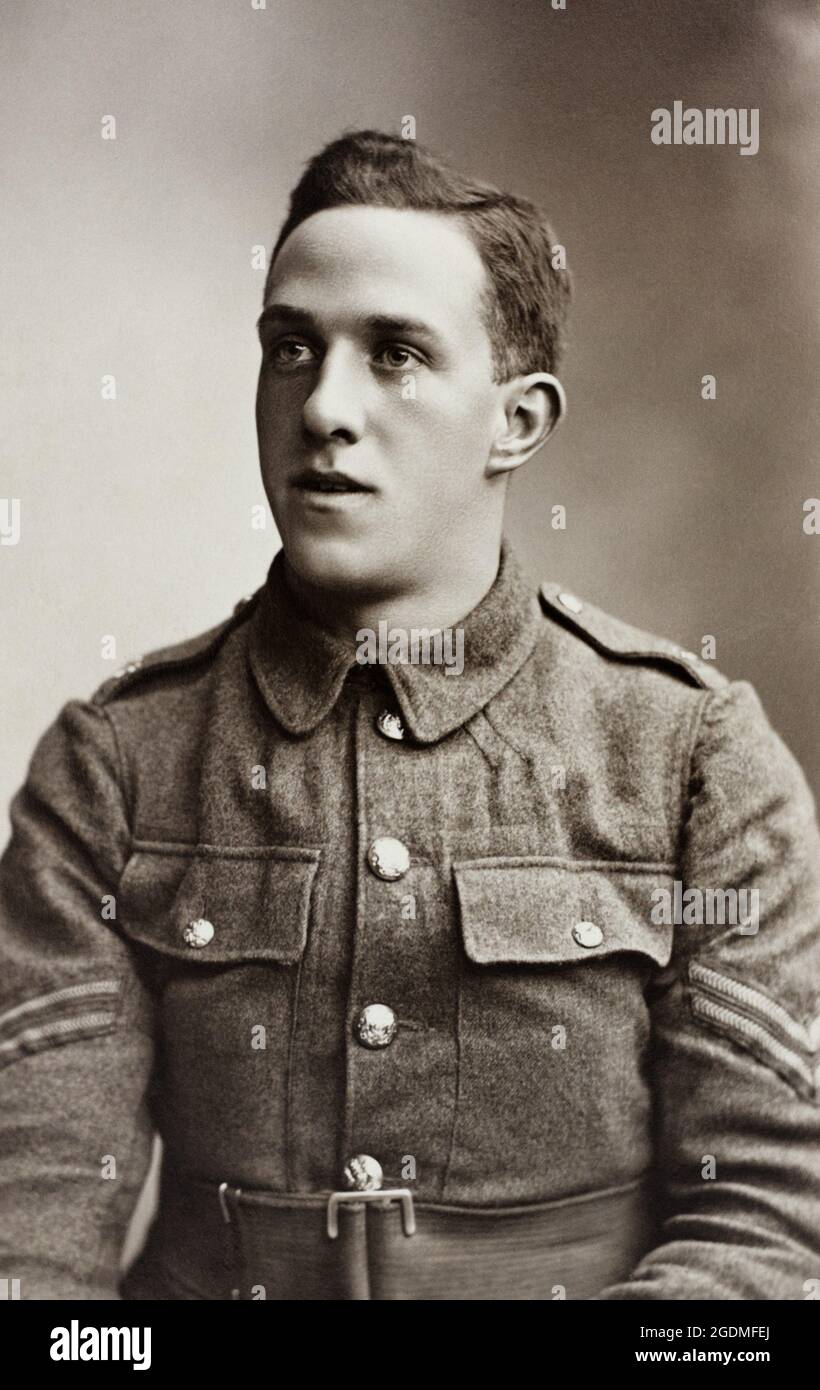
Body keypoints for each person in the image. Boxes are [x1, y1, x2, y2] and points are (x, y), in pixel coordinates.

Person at [1, 129, 818, 1302]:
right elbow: (33, 1258)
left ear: (516, 421)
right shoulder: (118, 762)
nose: (323, 406)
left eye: (393, 354)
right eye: (291, 348)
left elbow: (773, 1232)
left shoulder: (691, 756)